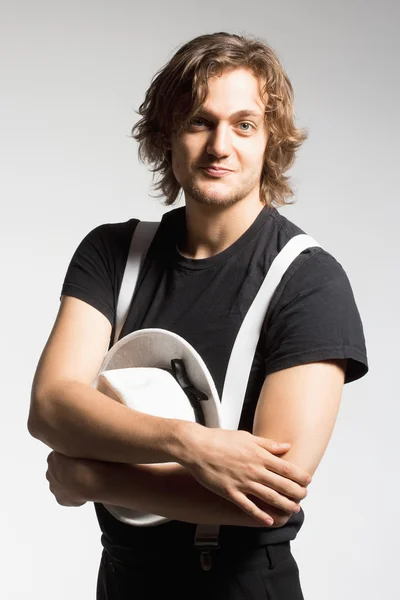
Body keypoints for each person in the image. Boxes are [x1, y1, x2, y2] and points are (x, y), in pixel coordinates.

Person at [28, 31, 368, 599]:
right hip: (123, 578)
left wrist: (96, 476)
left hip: (236, 586)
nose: (219, 146)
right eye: (198, 122)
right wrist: (191, 444)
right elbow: (50, 407)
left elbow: (269, 497)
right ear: (167, 136)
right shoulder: (112, 254)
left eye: (243, 124)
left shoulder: (309, 281)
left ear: (270, 141)